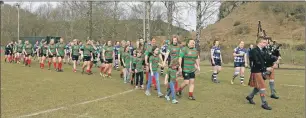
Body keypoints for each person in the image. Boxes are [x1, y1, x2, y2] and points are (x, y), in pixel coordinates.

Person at [246, 37, 272, 110]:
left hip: (261, 70)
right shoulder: (254, 51)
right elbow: (257, 62)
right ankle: (264, 103)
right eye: (264, 42)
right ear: (259, 42)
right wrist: (266, 68)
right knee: (262, 87)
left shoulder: (263, 50)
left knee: (258, 87)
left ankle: (250, 96)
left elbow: (266, 60)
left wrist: (273, 60)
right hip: (256, 70)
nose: (265, 43)